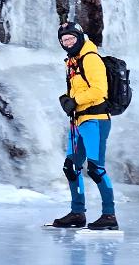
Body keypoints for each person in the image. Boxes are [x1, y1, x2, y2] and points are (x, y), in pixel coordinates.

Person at [50, 20, 118, 231]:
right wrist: (68, 100)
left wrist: (75, 100)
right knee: (71, 167)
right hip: (79, 121)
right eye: (64, 40)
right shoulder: (73, 61)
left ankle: (109, 216)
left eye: (71, 38)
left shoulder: (90, 58)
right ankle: (77, 213)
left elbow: (99, 90)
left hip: (96, 121)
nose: (68, 43)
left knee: (96, 169)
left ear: (79, 38)